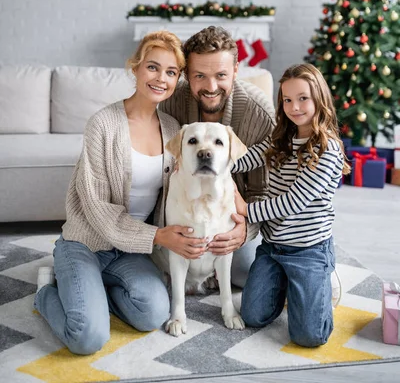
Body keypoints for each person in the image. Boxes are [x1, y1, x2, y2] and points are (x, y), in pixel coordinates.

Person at [34, 31, 208, 356]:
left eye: (171, 72)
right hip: (86, 243)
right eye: (153, 67)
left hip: (130, 251)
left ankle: (92, 292)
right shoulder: (102, 124)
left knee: (153, 314)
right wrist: (159, 236)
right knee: (87, 337)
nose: (161, 78)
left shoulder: (173, 131)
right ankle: (47, 291)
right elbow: (98, 208)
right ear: (136, 68)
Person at [232, 63, 350, 348]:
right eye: (287, 100)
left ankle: (320, 281)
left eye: (303, 98)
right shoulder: (280, 139)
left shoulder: (327, 148)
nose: (294, 107)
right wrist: (212, 165)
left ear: (319, 98)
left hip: (309, 250)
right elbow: (244, 160)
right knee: (252, 316)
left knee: (310, 337)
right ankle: (289, 286)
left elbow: (293, 202)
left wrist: (245, 208)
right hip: (273, 248)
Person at [159, 25, 276, 287]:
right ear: (187, 74)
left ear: (235, 71)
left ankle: (312, 270)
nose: (211, 87)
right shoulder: (170, 105)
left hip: (231, 218)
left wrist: (245, 230)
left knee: (245, 276)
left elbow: (267, 189)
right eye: (199, 76)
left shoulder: (259, 114)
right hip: (184, 212)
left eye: (221, 75)